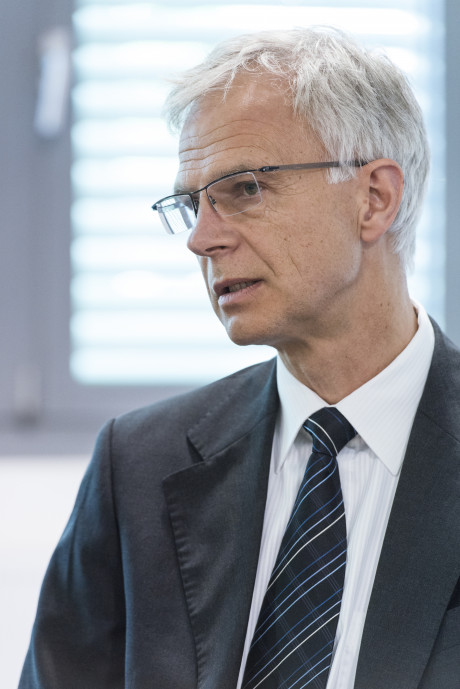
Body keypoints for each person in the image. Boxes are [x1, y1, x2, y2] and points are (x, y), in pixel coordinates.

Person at [19, 27, 460, 689]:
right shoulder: (136, 467)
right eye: (192, 203)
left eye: (245, 188)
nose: (201, 238)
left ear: (374, 198)